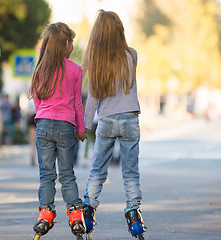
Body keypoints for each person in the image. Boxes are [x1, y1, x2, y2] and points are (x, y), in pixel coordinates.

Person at [82, 10, 146, 239]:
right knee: (130, 172)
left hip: (106, 121)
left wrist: (84, 126)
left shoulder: (96, 61)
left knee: (98, 170)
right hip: (130, 119)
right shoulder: (132, 55)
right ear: (120, 30)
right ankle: (134, 215)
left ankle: (88, 210)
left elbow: (92, 98)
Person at [27, 22, 87, 239]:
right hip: (65, 126)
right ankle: (75, 216)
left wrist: (41, 118)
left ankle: (45, 214)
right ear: (66, 45)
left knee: (46, 175)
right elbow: (77, 105)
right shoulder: (75, 69)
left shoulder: (40, 68)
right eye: (71, 42)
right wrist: (81, 130)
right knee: (67, 174)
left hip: (43, 124)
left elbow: (37, 99)